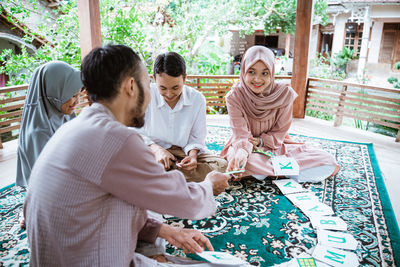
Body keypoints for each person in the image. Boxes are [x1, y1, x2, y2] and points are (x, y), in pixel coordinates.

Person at [24, 45, 230, 266]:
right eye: (149, 86)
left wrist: (164, 230)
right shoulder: (116, 139)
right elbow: (182, 200)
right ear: (132, 86)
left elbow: (110, 202)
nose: (153, 96)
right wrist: (209, 187)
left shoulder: (79, 126)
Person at [221, 46, 339, 182]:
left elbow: (280, 131)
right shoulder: (234, 96)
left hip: (275, 145)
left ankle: (266, 173)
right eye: (252, 72)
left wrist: (261, 141)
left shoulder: (283, 95)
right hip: (246, 146)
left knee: (326, 159)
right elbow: (240, 133)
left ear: (272, 72)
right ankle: (288, 172)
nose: (257, 79)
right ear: (243, 71)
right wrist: (242, 152)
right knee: (240, 160)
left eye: (264, 73)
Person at [138, 52, 227, 182]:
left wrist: (192, 157)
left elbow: (196, 137)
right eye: (162, 88)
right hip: (152, 149)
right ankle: (175, 177)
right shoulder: (145, 95)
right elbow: (134, 130)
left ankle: (162, 176)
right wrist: (156, 149)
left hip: (182, 151)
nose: (169, 94)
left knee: (221, 166)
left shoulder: (197, 99)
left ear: (185, 78)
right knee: (128, 160)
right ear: (154, 78)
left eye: (175, 87)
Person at [16, 61, 83, 188]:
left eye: (78, 95)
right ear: (54, 92)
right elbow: (50, 182)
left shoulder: (66, 116)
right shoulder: (39, 133)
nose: (76, 102)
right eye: (73, 96)